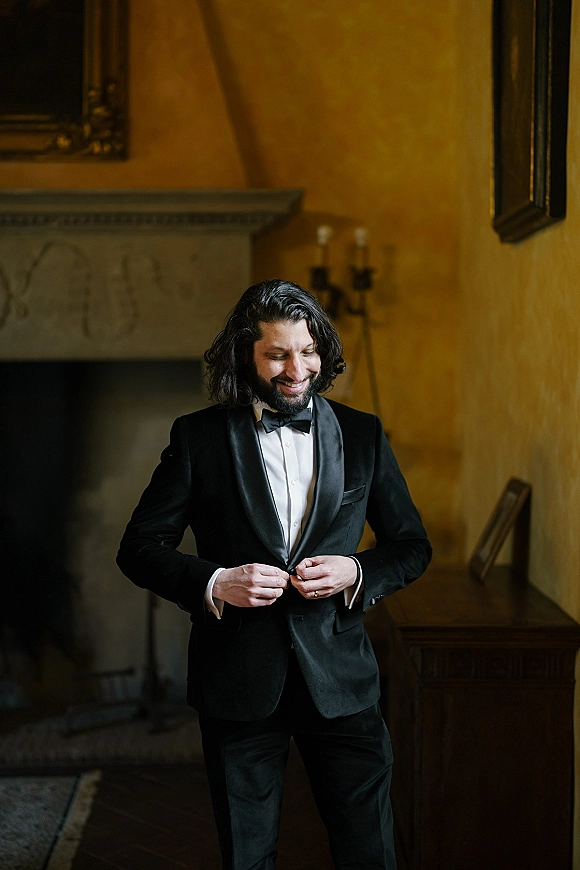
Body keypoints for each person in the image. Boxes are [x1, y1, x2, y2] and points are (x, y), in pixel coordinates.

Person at [117, 279, 432, 870]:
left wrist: (356, 570)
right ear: (246, 355)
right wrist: (216, 583)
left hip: (343, 686)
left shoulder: (364, 434)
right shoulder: (198, 437)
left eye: (307, 350)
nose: (297, 368)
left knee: (371, 854)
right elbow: (138, 547)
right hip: (238, 682)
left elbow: (412, 546)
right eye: (278, 354)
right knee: (247, 858)